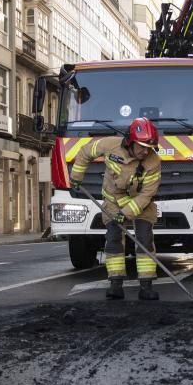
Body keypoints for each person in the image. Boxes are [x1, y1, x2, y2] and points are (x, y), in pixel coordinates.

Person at [70, 117, 163, 301]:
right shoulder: (109, 145)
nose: (145, 151)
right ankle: (115, 284)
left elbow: (146, 195)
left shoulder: (153, 163)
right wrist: (76, 176)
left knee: (144, 238)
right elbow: (85, 152)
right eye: (142, 146)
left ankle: (146, 287)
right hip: (113, 201)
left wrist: (126, 214)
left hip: (140, 204)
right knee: (113, 239)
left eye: (149, 147)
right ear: (130, 141)